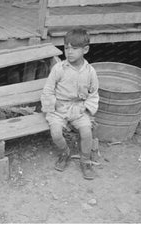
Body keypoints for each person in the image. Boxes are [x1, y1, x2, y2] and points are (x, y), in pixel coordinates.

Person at [40, 29, 99, 180]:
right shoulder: (59, 68)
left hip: (79, 108)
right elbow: (48, 90)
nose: (69, 52)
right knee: (56, 133)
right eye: (66, 48)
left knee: (86, 132)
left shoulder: (90, 71)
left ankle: (85, 161)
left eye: (74, 48)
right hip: (59, 108)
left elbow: (94, 93)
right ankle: (65, 152)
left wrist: (86, 108)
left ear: (85, 49)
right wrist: (54, 103)